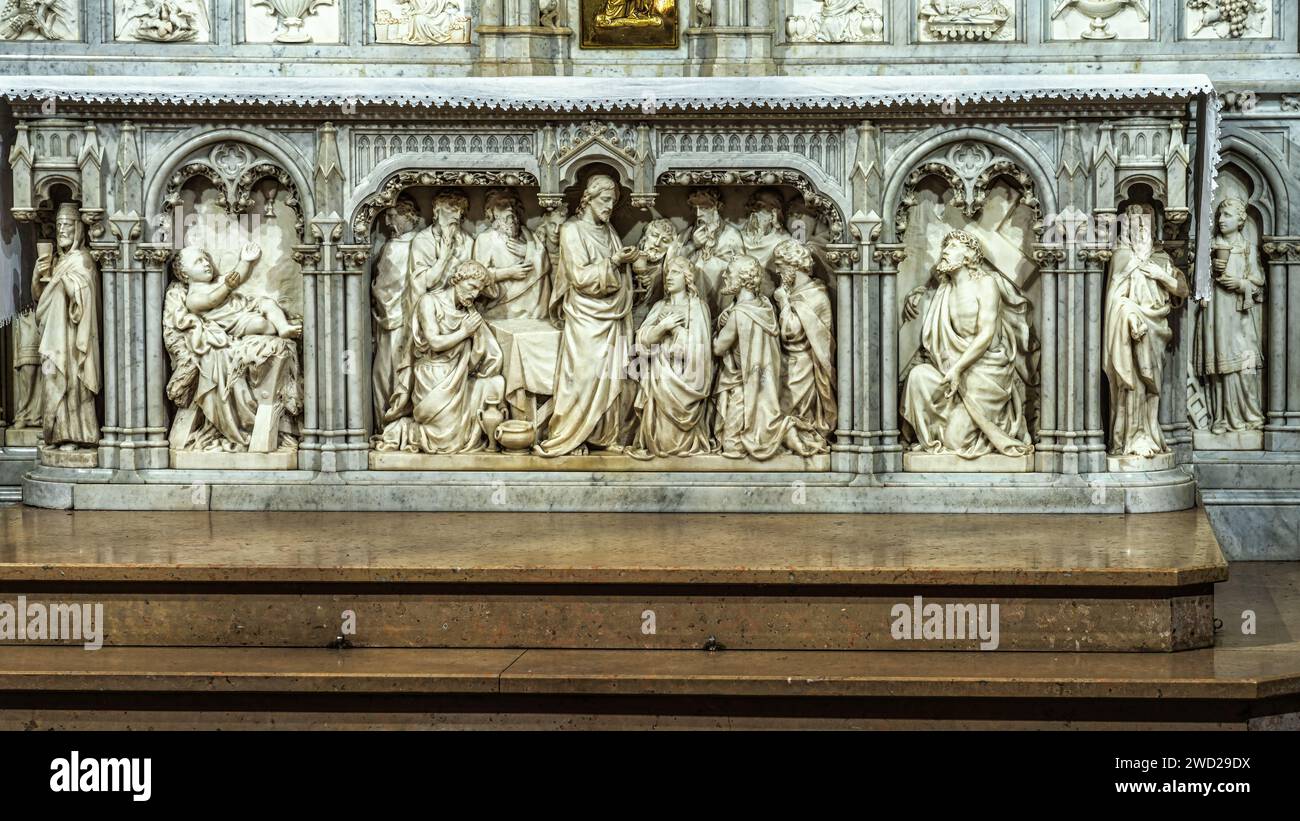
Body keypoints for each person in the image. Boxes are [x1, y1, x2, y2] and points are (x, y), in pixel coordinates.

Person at [900, 229, 1036, 459]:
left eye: (952, 247)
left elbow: (986, 334)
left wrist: (958, 369)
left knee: (956, 441)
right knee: (918, 376)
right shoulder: (944, 289)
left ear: (969, 255)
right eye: (944, 247)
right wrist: (915, 295)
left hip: (985, 372)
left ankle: (978, 427)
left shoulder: (986, 284)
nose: (944, 252)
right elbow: (927, 301)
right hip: (952, 368)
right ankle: (924, 436)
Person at [535, 175, 638, 456]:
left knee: (612, 376)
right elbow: (579, 276)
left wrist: (627, 263)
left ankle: (604, 435)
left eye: (613, 202)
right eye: (604, 200)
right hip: (585, 316)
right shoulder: (572, 230)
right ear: (588, 199)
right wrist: (615, 262)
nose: (609, 207)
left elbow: (618, 274)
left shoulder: (609, 232)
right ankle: (569, 434)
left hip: (612, 314)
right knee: (582, 377)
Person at [374, 261, 505, 454]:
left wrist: (476, 341)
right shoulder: (429, 302)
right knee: (444, 442)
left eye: (479, 290)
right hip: (431, 375)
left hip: (456, 376)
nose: (475, 294)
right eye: (472, 287)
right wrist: (464, 332)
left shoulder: (467, 312)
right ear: (456, 280)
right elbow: (434, 342)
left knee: (494, 385)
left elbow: (482, 352)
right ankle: (401, 430)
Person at [713, 255, 820, 459]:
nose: (724, 276)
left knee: (732, 448)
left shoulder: (738, 315)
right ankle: (785, 431)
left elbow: (718, 349)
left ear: (743, 280)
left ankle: (784, 430)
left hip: (744, 387)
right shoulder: (764, 306)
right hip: (766, 384)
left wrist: (719, 328)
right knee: (758, 425)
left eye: (729, 273)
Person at [1103, 203, 1188, 458]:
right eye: (1133, 225)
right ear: (1125, 228)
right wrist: (1130, 315)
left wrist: (1161, 275)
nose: (1139, 231)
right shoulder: (1121, 257)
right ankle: (1131, 438)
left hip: (1157, 330)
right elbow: (1114, 301)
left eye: (1144, 226)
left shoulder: (1161, 258)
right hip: (1131, 331)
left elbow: (1181, 290)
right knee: (1132, 384)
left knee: (1153, 387)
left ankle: (1150, 433)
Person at [1194, 197, 1265, 434]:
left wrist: (1240, 283)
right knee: (1218, 365)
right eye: (1219, 216)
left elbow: (1258, 281)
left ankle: (1250, 413)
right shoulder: (1211, 246)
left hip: (1238, 314)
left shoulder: (1246, 248)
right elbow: (1197, 281)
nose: (1221, 220)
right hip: (1215, 313)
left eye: (1227, 215)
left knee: (1245, 365)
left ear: (1241, 220)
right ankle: (1220, 417)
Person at [631, 256, 714, 458]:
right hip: (659, 378)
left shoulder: (697, 306)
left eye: (675, 272)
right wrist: (661, 328)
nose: (669, 277)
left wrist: (676, 330)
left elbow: (700, 349)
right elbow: (641, 342)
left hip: (684, 376)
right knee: (661, 439)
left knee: (675, 441)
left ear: (687, 278)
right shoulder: (659, 306)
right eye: (668, 272)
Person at [35, 203, 100, 450]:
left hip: (72, 335)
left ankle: (77, 435)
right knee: (52, 377)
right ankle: (55, 433)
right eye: (59, 225)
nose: (62, 230)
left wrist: (63, 281)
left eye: (67, 225)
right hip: (53, 332)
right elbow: (40, 297)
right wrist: (39, 276)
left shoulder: (82, 259)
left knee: (72, 382)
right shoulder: (57, 260)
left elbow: (84, 293)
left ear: (78, 229)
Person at [772, 239, 835, 449]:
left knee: (794, 408)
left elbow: (791, 332)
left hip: (805, 365)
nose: (778, 272)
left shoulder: (815, 295)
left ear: (793, 266)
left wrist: (783, 302)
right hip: (789, 361)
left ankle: (804, 433)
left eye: (780, 267)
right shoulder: (797, 293)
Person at [371, 195, 424, 425]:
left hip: (402, 321)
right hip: (390, 319)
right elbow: (384, 285)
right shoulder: (392, 246)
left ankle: (392, 421)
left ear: (409, 216)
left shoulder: (413, 245)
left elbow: (389, 285)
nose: (387, 222)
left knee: (393, 372)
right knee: (383, 373)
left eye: (393, 216)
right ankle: (386, 423)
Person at [472, 188, 550, 321]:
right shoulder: (486, 238)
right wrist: (509, 272)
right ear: (492, 212)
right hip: (504, 306)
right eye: (502, 205)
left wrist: (528, 251)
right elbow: (477, 276)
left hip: (535, 306)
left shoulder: (528, 234)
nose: (510, 209)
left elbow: (545, 263)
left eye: (512, 204)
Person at [681, 187, 743, 313]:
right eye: (695, 208)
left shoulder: (732, 236)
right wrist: (693, 245)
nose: (698, 214)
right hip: (692, 304)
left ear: (716, 208)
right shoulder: (687, 234)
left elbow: (742, 269)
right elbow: (675, 262)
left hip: (722, 301)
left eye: (704, 208)